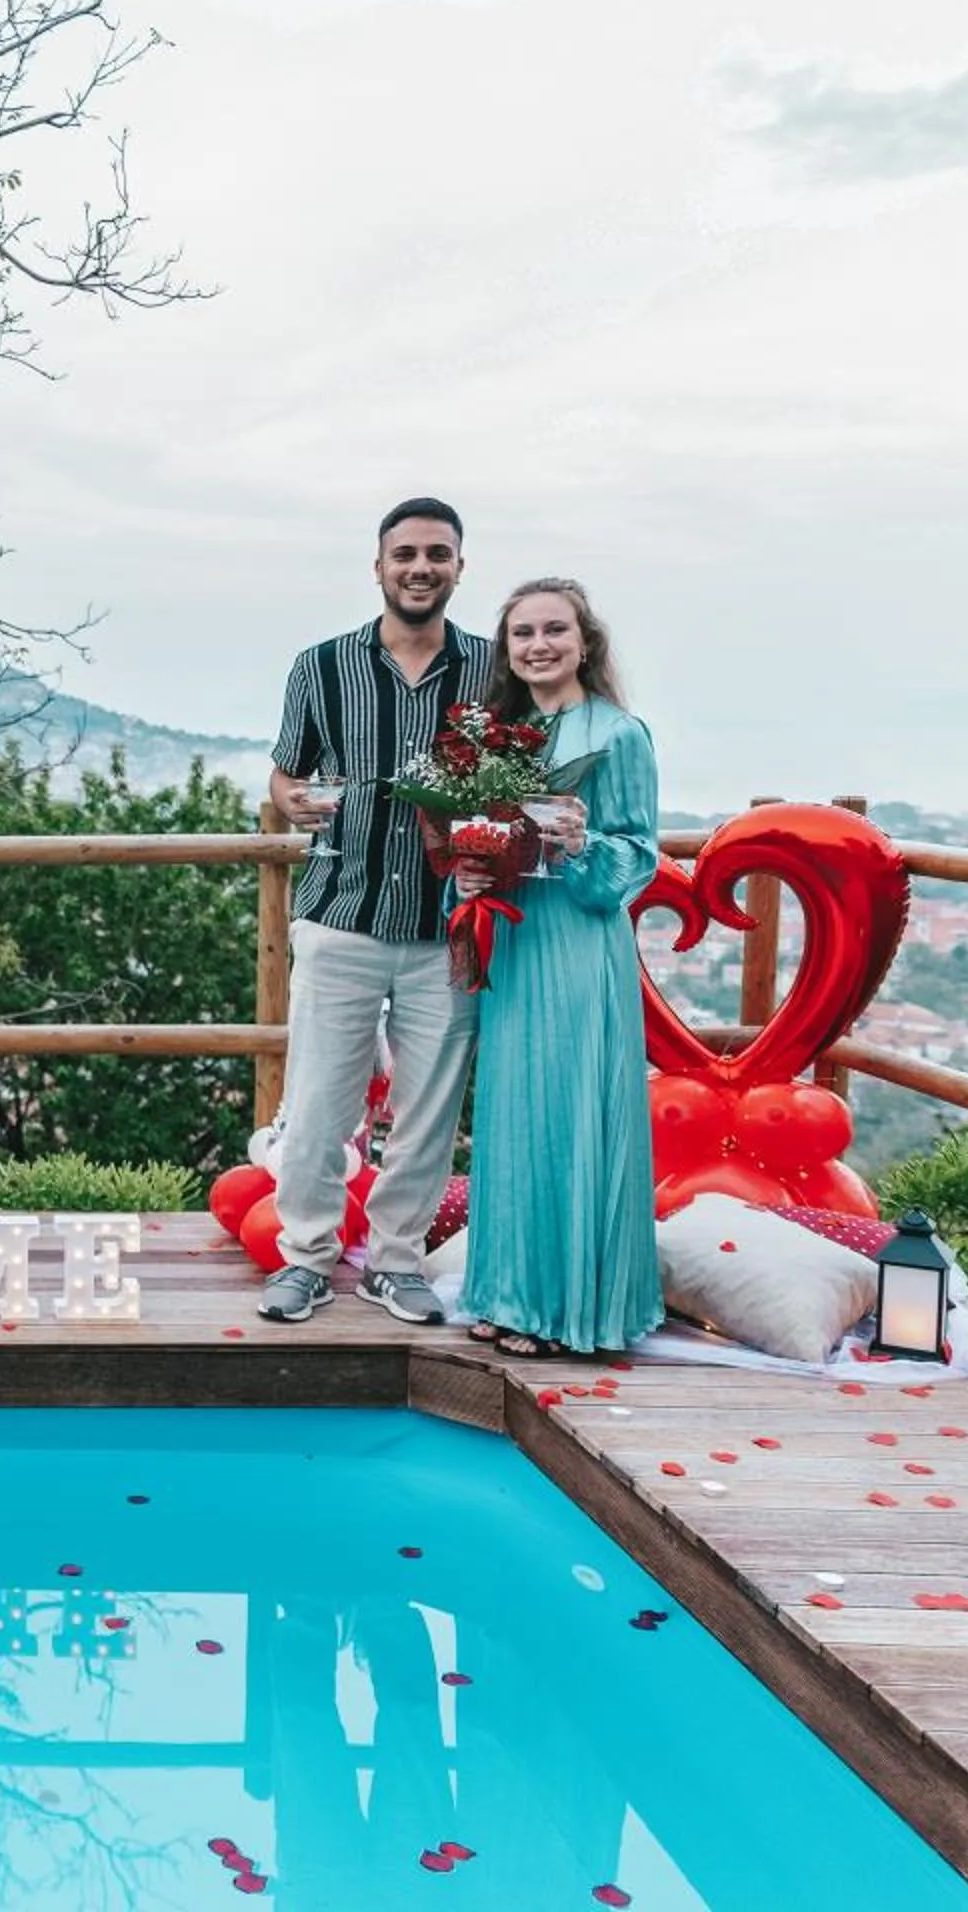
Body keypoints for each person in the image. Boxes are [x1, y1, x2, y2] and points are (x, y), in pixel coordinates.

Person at [259, 498, 492, 1326]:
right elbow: (286, 775)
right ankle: (305, 1259)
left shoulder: (494, 671)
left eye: (437, 554)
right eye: (406, 554)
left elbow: (520, 784)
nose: (420, 568)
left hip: (448, 927)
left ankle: (397, 1264)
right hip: (339, 913)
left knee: (428, 1113)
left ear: (459, 567)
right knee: (319, 1107)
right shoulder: (320, 666)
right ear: (379, 567)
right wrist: (291, 800)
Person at [451, 578, 663, 1357]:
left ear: (585, 642)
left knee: (571, 1115)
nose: (538, 645)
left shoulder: (620, 734)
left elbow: (638, 856)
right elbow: (470, 838)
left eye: (554, 630)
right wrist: (464, 875)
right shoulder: (495, 739)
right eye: (523, 634)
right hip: (514, 941)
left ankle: (569, 1309)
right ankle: (506, 1295)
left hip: (578, 942)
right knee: (512, 1119)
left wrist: (583, 845)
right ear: (506, 650)